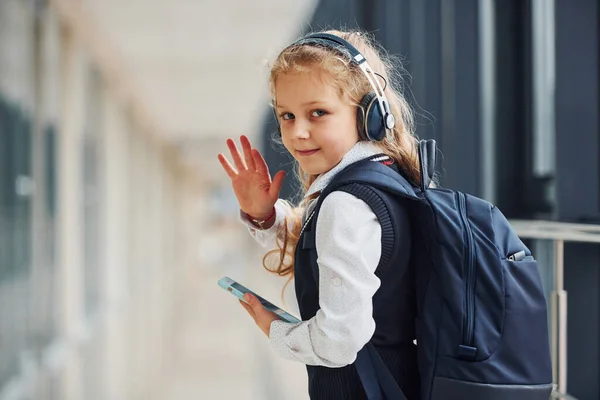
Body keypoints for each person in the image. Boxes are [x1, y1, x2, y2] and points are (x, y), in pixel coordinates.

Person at [218, 29, 422, 399]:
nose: (297, 132)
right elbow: (322, 245)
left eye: (318, 112)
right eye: (286, 115)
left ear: (368, 116)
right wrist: (264, 215)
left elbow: (339, 342)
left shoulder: (346, 204)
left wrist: (275, 328)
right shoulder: (386, 180)